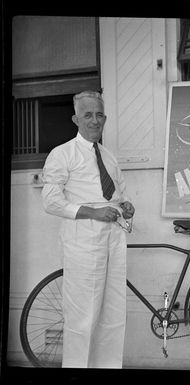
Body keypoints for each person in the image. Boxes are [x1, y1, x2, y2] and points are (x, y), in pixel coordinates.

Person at [41, 90, 135, 368]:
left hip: (113, 238)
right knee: (82, 316)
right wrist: (93, 212)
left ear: (104, 118)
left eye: (99, 115)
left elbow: (120, 195)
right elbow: (51, 202)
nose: (94, 120)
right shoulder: (63, 154)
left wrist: (126, 206)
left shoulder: (109, 156)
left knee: (112, 312)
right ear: (76, 119)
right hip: (83, 240)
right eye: (88, 115)